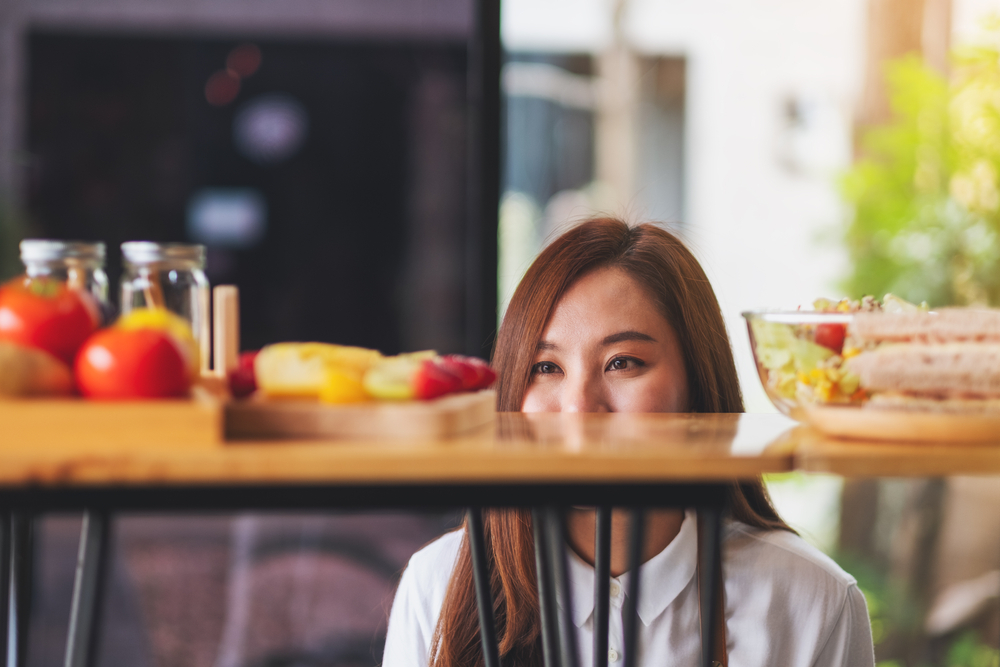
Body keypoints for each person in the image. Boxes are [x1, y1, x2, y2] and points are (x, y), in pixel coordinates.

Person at [383, 218, 874, 667]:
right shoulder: (437, 586)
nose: (579, 408)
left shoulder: (813, 601)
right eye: (546, 367)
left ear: (698, 382)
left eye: (623, 362)